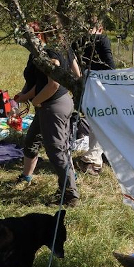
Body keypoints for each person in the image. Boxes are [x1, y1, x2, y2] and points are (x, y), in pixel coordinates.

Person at [13, 21, 79, 207]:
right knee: (33, 140)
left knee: (56, 150)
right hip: (49, 104)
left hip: (53, 105)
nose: (24, 40)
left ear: (40, 35)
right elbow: (41, 81)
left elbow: (53, 84)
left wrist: (35, 101)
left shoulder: (50, 53)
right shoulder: (44, 52)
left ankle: (70, 195)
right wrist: (26, 97)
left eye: (28, 36)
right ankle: (27, 177)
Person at [71, 19, 116, 175]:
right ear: (101, 28)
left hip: (85, 83)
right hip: (101, 85)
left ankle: (95, 156)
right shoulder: (102, 39)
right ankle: (93, 160)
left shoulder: (77, 40)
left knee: (95, 119)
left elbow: (73, 61)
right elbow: (109, 64)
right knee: (102, 120)